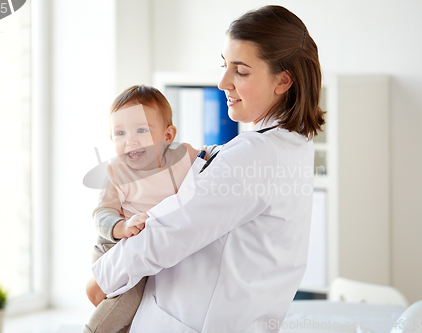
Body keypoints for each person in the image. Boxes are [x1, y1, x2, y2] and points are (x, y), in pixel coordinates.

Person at [90, 5, 325, 332]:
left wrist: (102, 277)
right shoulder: (288, 143)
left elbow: (171, 233)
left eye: (240, 71)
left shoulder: (256, 155)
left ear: (283, 80)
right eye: (224, 65)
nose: (222, 81)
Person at [84, 85, 215, 333]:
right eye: (120, 133)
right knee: (122, 307)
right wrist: (122, 227)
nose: (130, 140)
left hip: (151, 252)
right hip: (117, 250)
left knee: (137, 320)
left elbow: (212, 158)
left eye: (141, 130)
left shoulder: (183, 155)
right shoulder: (116, 173)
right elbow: (101, 214)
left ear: (168, 136)